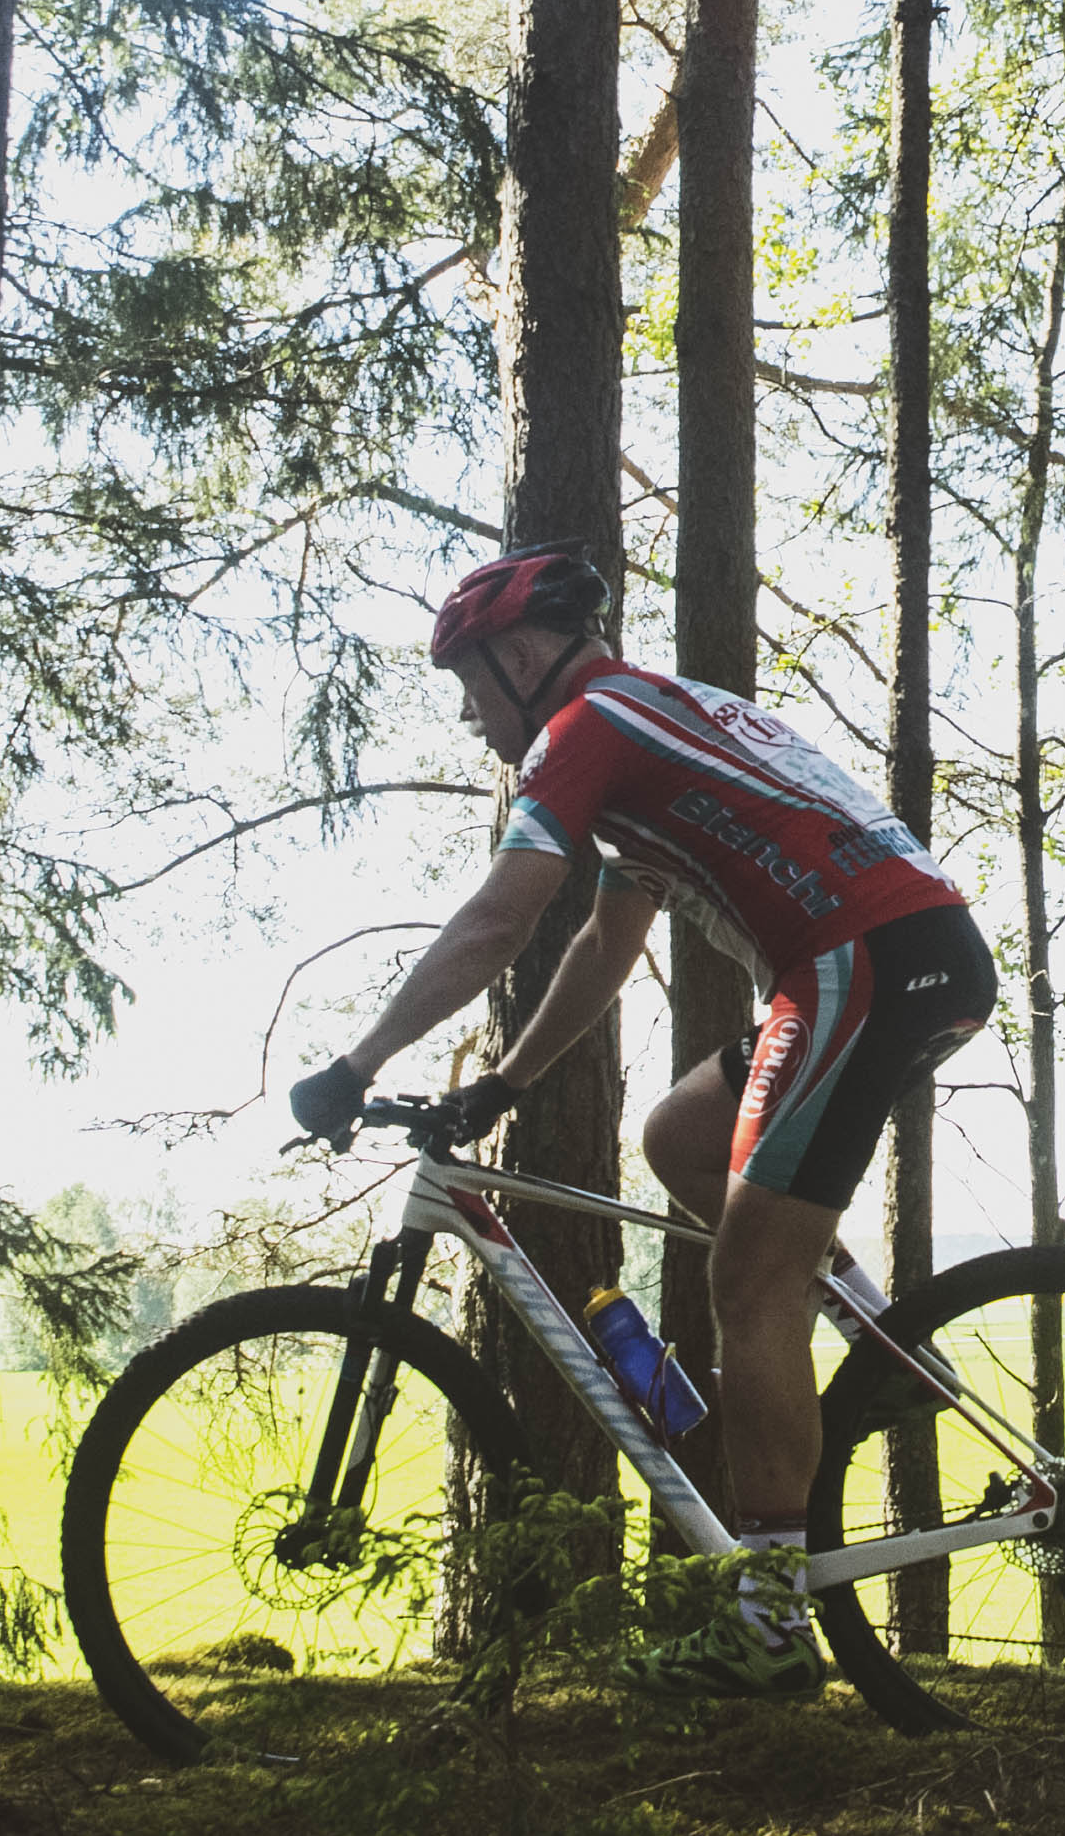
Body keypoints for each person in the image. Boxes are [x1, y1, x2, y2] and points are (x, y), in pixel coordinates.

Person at [287, 544, 993, 1694]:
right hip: (895, 954)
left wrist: (355, 1060)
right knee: (676, 1138)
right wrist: (505, 1084)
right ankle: (880, 1341)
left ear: (521, 657)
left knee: (749, 1289)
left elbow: (499, 920)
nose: (473, 721)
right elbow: (603, 946)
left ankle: (770, 1629)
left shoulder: (584, 734)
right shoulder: (652, 722)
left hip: (854, 962)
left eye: (471, 688)